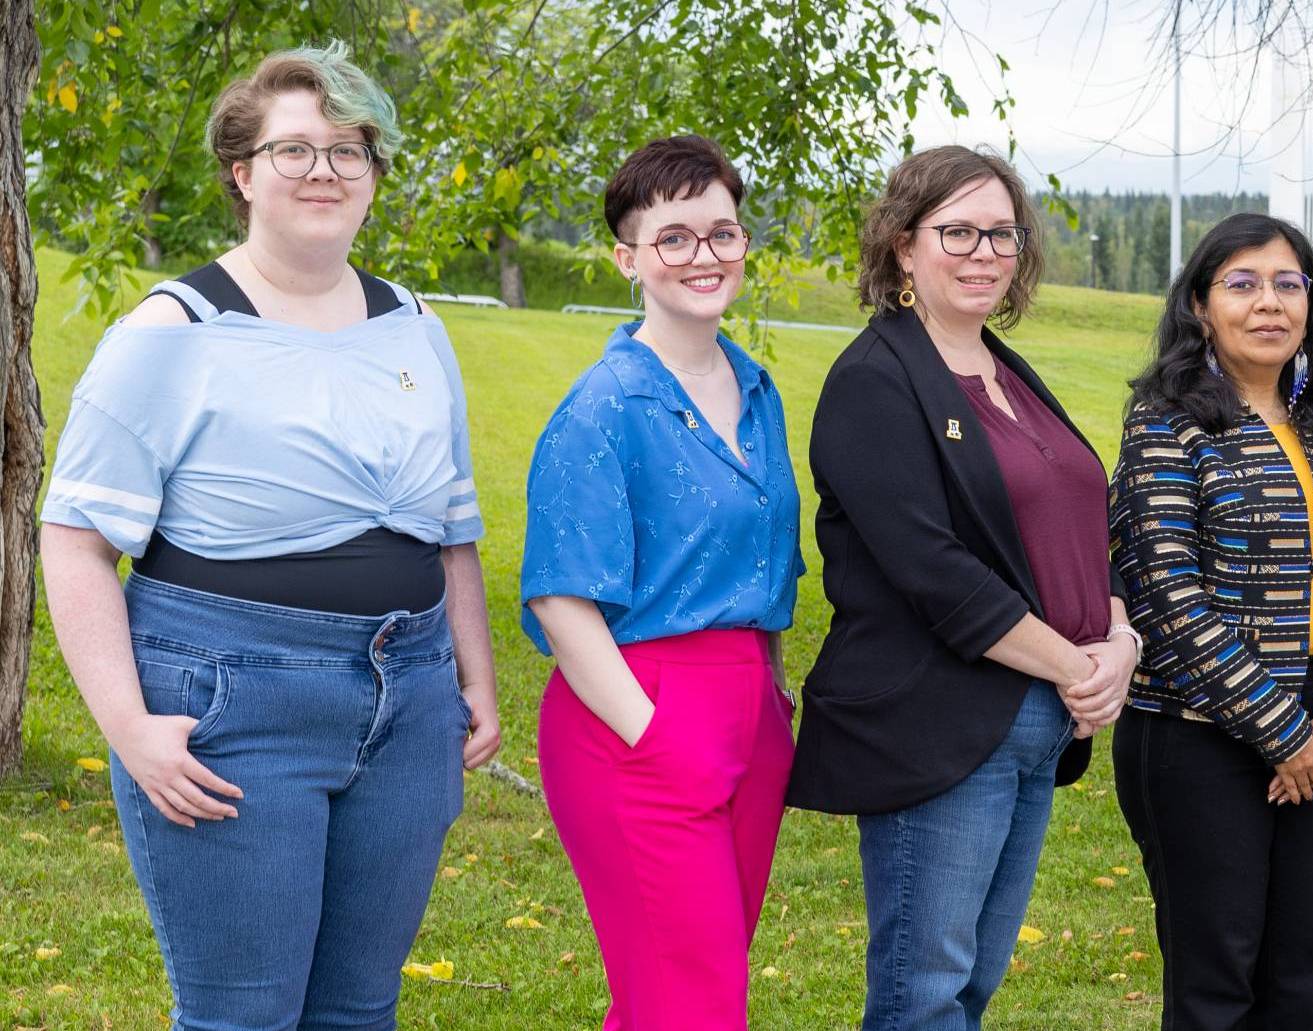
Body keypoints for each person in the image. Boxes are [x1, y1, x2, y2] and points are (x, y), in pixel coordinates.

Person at [35, 43, 501, 1027]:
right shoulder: (173, 330)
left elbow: (452, 517)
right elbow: (76, 535)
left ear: (375, 173)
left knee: (359, 1009)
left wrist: (475, 682)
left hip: (408, 704)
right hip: (230, 698)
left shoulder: (413, 322)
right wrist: (128, 726)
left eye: (350, 148)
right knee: (241, 1014)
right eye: (296, 149)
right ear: (242, 173)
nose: (326, 169)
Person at [785, 145, 1133, 1031]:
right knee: (923, 994)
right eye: (958, 231)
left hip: (1037, 714)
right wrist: (1075, 665)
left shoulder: (1003, 370)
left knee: (972, 986)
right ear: (904, 245)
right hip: (939, 723)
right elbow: (933, 571)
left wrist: (1119, 641)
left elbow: (1082, 529)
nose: (984, 252)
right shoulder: (874, 380)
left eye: (1002, 234)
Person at [520, 135, 802, 1030]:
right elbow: (561, 600)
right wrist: (654, 733)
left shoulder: (757, 391)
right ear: (627, 259)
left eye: (722, 233)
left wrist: (774, 696)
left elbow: (764, 562)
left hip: (751, 718)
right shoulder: (602, 406)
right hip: (635, 718)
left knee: (680, 993)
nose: (703, 256)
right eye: (674, 237)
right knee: (694, 1004)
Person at [1108, 212, 1313, 1030]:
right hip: (1199, 737)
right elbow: (1167, 596)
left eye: (1288, 283)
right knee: (1217, 987)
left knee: (1301, 976)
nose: (1268, 303)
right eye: (1242, 284)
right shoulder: (1165, 424)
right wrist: (1287, 735)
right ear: (1202, 307)